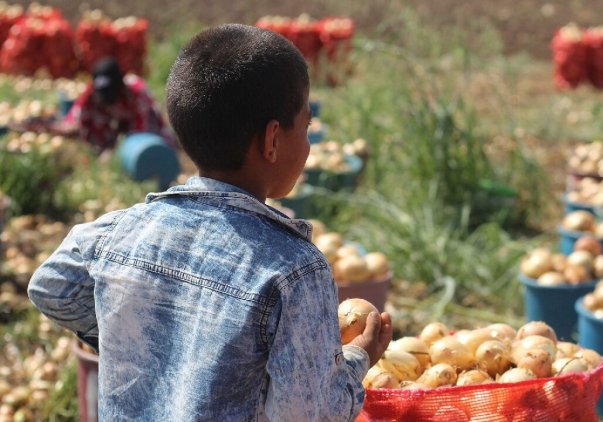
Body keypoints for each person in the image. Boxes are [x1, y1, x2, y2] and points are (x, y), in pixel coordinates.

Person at [27, 24, 392, 421]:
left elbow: (51, 287)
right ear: (272, 141)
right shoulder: (294, 271)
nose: (307, 144)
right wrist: (358, 358)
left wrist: (144, 341)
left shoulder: (118, 232)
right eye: (305, 128)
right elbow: (309, 413)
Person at [57, 56, 178, 153]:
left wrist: (118, 149)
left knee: (155, 144)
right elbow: (79, 115)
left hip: (140, 121)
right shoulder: (92, 92)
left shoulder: (136, 92)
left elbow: (141, 125)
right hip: (115, 121)